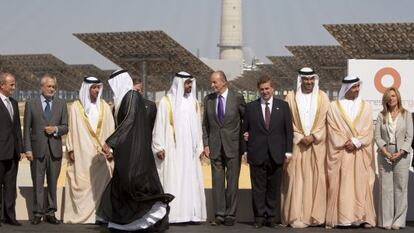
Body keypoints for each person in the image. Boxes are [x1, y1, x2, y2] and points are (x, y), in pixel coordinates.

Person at [97, 70, 173, 232]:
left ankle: (150, 218)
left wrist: (111, 142)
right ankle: (124, 224)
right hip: (125, 152)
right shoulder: (124, 98)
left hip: (133, 152)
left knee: (134, 186)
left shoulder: (131, 95)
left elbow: (129, 121)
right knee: (123, 186)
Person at [152, 71, 206, 223]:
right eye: (187, 83)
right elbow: (159, 126)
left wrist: (200, 147)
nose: (189, 86)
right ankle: (174, 215)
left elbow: (198, 128)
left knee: (190, 180)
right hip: (173, 150)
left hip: (190, 152)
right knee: (174, 179)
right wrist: (158, 147)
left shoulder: (194, 103)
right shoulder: (166, 102)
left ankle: (191, 214)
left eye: (190, 83)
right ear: (179, 83)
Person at [325, 75, 376, 228]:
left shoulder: (366, 106)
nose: (357, 89)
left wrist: (355, 142)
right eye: (354, 87)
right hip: (342, 153)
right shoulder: (334, 106)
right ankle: (342, 219)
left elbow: (368, 129)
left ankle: (362, 218)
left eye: (358, 86)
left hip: (359, 153)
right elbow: (332, 129)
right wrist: (344, 142)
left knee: (362, 184)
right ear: (346, 88)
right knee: (342, 186)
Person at [243, 76, 293, 228]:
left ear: (273, 89)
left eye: (267, 88)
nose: (265, 91)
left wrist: (289, 152)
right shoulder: (251, 107)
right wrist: (245, 151)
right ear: (259, 90)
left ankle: (270, 216)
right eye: (262, 89)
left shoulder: (283, 106)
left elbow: (288, 131)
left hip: (277, 154)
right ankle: (258, 217)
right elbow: (245, 131)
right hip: (257, 153)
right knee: (258, 188)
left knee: (273, 187)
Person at [281, 68, 329, 228]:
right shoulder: (291, 97)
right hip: (297, 145)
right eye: (306, 79)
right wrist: (300, 137)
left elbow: (326, 122)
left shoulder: (323, 97)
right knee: (296, 179)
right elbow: (288, 122)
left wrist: (314, 136)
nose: (309, 82)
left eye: (311, 79)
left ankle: (314, 217)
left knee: (315, 179)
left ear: (315, 80)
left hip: (317, 146)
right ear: (300, 80)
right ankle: (296, 215)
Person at [64, 77, 115, 224]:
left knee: (102, 184)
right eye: (93, 88)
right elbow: (71, 129)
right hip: (82, 152)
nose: (96, 90)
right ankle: (82, 216)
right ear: (87, 89)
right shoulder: (75, 107)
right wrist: (71, 148)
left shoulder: (104, 106)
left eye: (98, 88)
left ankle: (100, 215)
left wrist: (110, 148)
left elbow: (111, 128)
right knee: (81, 182)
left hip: (101, 154)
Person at [202, 70, 246, 226]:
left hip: (233, 146)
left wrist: (244, 137)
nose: (212, 85)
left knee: (232, 182)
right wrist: (206, 144)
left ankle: (230, 215)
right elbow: (205, 125)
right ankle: (219, 214)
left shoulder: (237, 98)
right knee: (217, 182)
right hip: (215, 147)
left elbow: (245, 120)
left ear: (224, 82)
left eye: (215, 82)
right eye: (211, 82)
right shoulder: (208, 100)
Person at [24, 75, 68, 225]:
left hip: (55, 150)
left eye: (54, 87)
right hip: (37, 150)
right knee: (37, 182)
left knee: (52, 183)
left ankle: (51, 212)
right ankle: (37, 213)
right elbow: (27, 130)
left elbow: (65, 127)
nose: (52, 89)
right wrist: (28, 149)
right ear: (41, 87)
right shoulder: (31, 103)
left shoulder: (62, 104)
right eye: (49, 86)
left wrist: (55, 129)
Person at [374, 87, 413, 230]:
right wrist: (384, 151)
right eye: (389, 96)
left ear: (398, 98)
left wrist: (401, 151)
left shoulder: (406, 115)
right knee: (386, 188)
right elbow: (377, 136)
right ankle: (386, 221)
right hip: (385, 153)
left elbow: (409, 136)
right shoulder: (380, 115)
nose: (392, 99)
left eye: (394, 96)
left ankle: (398, 221)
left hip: (402, 154)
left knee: (400, 188)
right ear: (385, 99)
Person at [0, 72, 25, 227]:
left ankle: (10, 216)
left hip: (13, 153)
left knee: (10, 187)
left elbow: (17, 128)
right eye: (11, 84)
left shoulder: (14, 103)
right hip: (0, 152)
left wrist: (20, 149)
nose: (14, 87)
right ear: (2, 85)